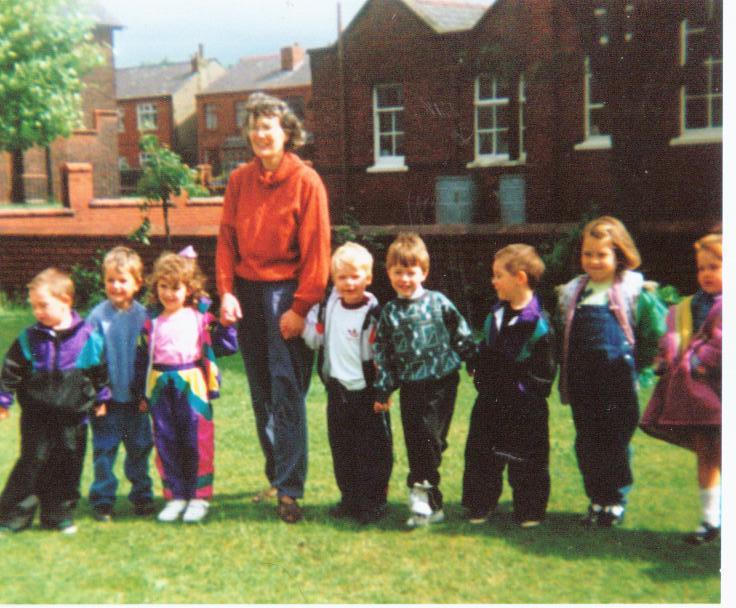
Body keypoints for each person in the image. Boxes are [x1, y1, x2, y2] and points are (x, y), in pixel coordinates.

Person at [216, 92, 331, 524]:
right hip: (246, 293)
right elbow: (226, 239)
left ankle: (290, 490)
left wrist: (301, 307)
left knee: (287, 393)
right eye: (255, 126)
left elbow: (317, 253)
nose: (261, 134)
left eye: (269, 126)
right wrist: (226, 291)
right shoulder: (239, 180)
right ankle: (277, 474)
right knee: (262, 394)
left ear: (287, 133)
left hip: (287, 295)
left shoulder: (307, 181)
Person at [556, 216, 666, 527]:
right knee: (588, 441)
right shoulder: (574, 292)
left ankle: (615, 499)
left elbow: (653, 334)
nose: (593, 261)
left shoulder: (632, 291)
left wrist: (639, 370)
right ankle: (596, 498)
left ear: (619, 255)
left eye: (602, 254)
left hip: (617, 382)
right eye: (587, 254)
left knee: (614, 442)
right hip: (583, 383)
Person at [373, 232, 475, 528]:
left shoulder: (438, 302)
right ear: (389, 273)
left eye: (411, 272)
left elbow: (461, 331)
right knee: (418, 436)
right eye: (398, 272)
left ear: (424, 272)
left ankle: (426, 485)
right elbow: (384, 352)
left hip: (442, 380)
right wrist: (384, 388)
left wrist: (472, 359)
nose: (404, 279)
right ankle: (424, 493)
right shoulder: (390, 312)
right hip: (411, 385)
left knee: (431, 438)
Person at [0, 268, 110, 534]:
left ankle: (58, 514)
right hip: (37, 416)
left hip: (73, 416)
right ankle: (13, 516)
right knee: (32, 461)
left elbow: (100, 371)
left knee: (67, 462)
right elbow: (11, 369)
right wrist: (3, 400)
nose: (38, 311)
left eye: (44, 305)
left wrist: (102, 398)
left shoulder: (88, 336)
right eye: (34, 306)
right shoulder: (29, 338)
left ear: (66, 300)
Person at [137, 248, 237, 523]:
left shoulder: (199, 317)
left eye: (176, 287)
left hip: (192, 383)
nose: (169, 294)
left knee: (197, 439)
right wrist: (140, 393)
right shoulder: (151, 321)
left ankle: (199, 496)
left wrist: (227, 326)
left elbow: (226, 346)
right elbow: (140, 358)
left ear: (189, 288)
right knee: (166, 439)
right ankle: (175, 496)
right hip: (159, 384)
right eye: (163, 287)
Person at [462, 244, 556, 528]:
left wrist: (521, 390)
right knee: (481, 454)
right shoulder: (495, 316)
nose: (493, 281)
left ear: (520, 278)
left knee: (527, 458)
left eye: (498, 275)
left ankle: (529, 509)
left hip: (524, 405)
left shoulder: (538, 323)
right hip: (491, 401)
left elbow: (544, 371)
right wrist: (477, 363)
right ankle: (480, 504)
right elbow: (486, 348)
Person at [302, 242, 393, 524]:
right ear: (333, 280)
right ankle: (350, 497)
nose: (349, 283)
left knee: (373, 450)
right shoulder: (328, 308)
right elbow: (313, 338)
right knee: (343, 449)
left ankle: (374, 500)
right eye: (342, 278)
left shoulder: (377, 313)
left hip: (368, 393)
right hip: (338, 391)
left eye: (355, 277)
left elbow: (386, 355)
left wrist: (384, 389)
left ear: (368, 278)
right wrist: (313, 329)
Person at [640, 233, 722, 544]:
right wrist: (669, 354)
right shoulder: (690, 306)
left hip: (719, 390)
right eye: (702, 268)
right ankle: (709, 519)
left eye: (715, 266)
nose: (707, 274)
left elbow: (722, 344)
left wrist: (698, 359)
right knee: (706, 454)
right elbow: (674, 336)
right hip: (697, 396)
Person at [87, 246, 154, 522]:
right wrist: (98, 398)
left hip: (136, 401)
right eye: (110, 280)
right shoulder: (96, 317)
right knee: (104, 451)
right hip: (107, 402)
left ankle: (142, 496)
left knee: (139, 449)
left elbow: (150, 360)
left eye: (122, 280)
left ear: (137, 283)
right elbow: (90, 361)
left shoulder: (146, 317)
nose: (116, 286)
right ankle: (103, 500)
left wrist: (145, 395)